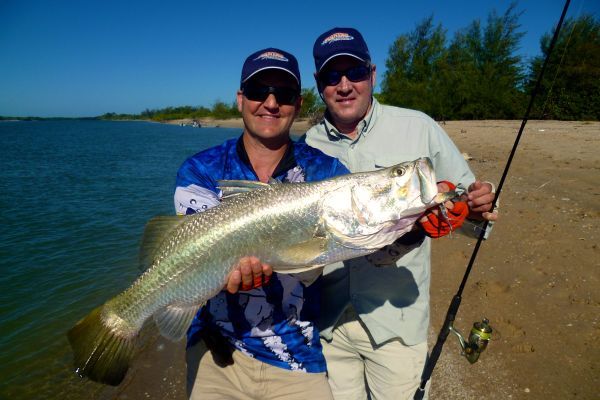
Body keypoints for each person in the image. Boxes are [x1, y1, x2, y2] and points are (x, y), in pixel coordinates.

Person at [301, 27, 498, 400]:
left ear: (372, 74)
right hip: (329, 325)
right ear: (318, 84)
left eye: (354, 73)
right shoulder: (307, 145)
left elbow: (471, 209)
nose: (344, 85)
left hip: (396, 326)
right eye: (331, 76)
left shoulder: (418, 127)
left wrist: (477, 209)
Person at [174, 48, 349, 400]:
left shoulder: (328, 175)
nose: (270, 103)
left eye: (283, 95)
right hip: (217, 351)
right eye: (258, 92)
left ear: (298, 105)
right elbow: (189, 259)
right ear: (240, 100)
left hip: (298, 356)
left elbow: (369, 243)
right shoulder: (200, 171)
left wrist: (417, 227)